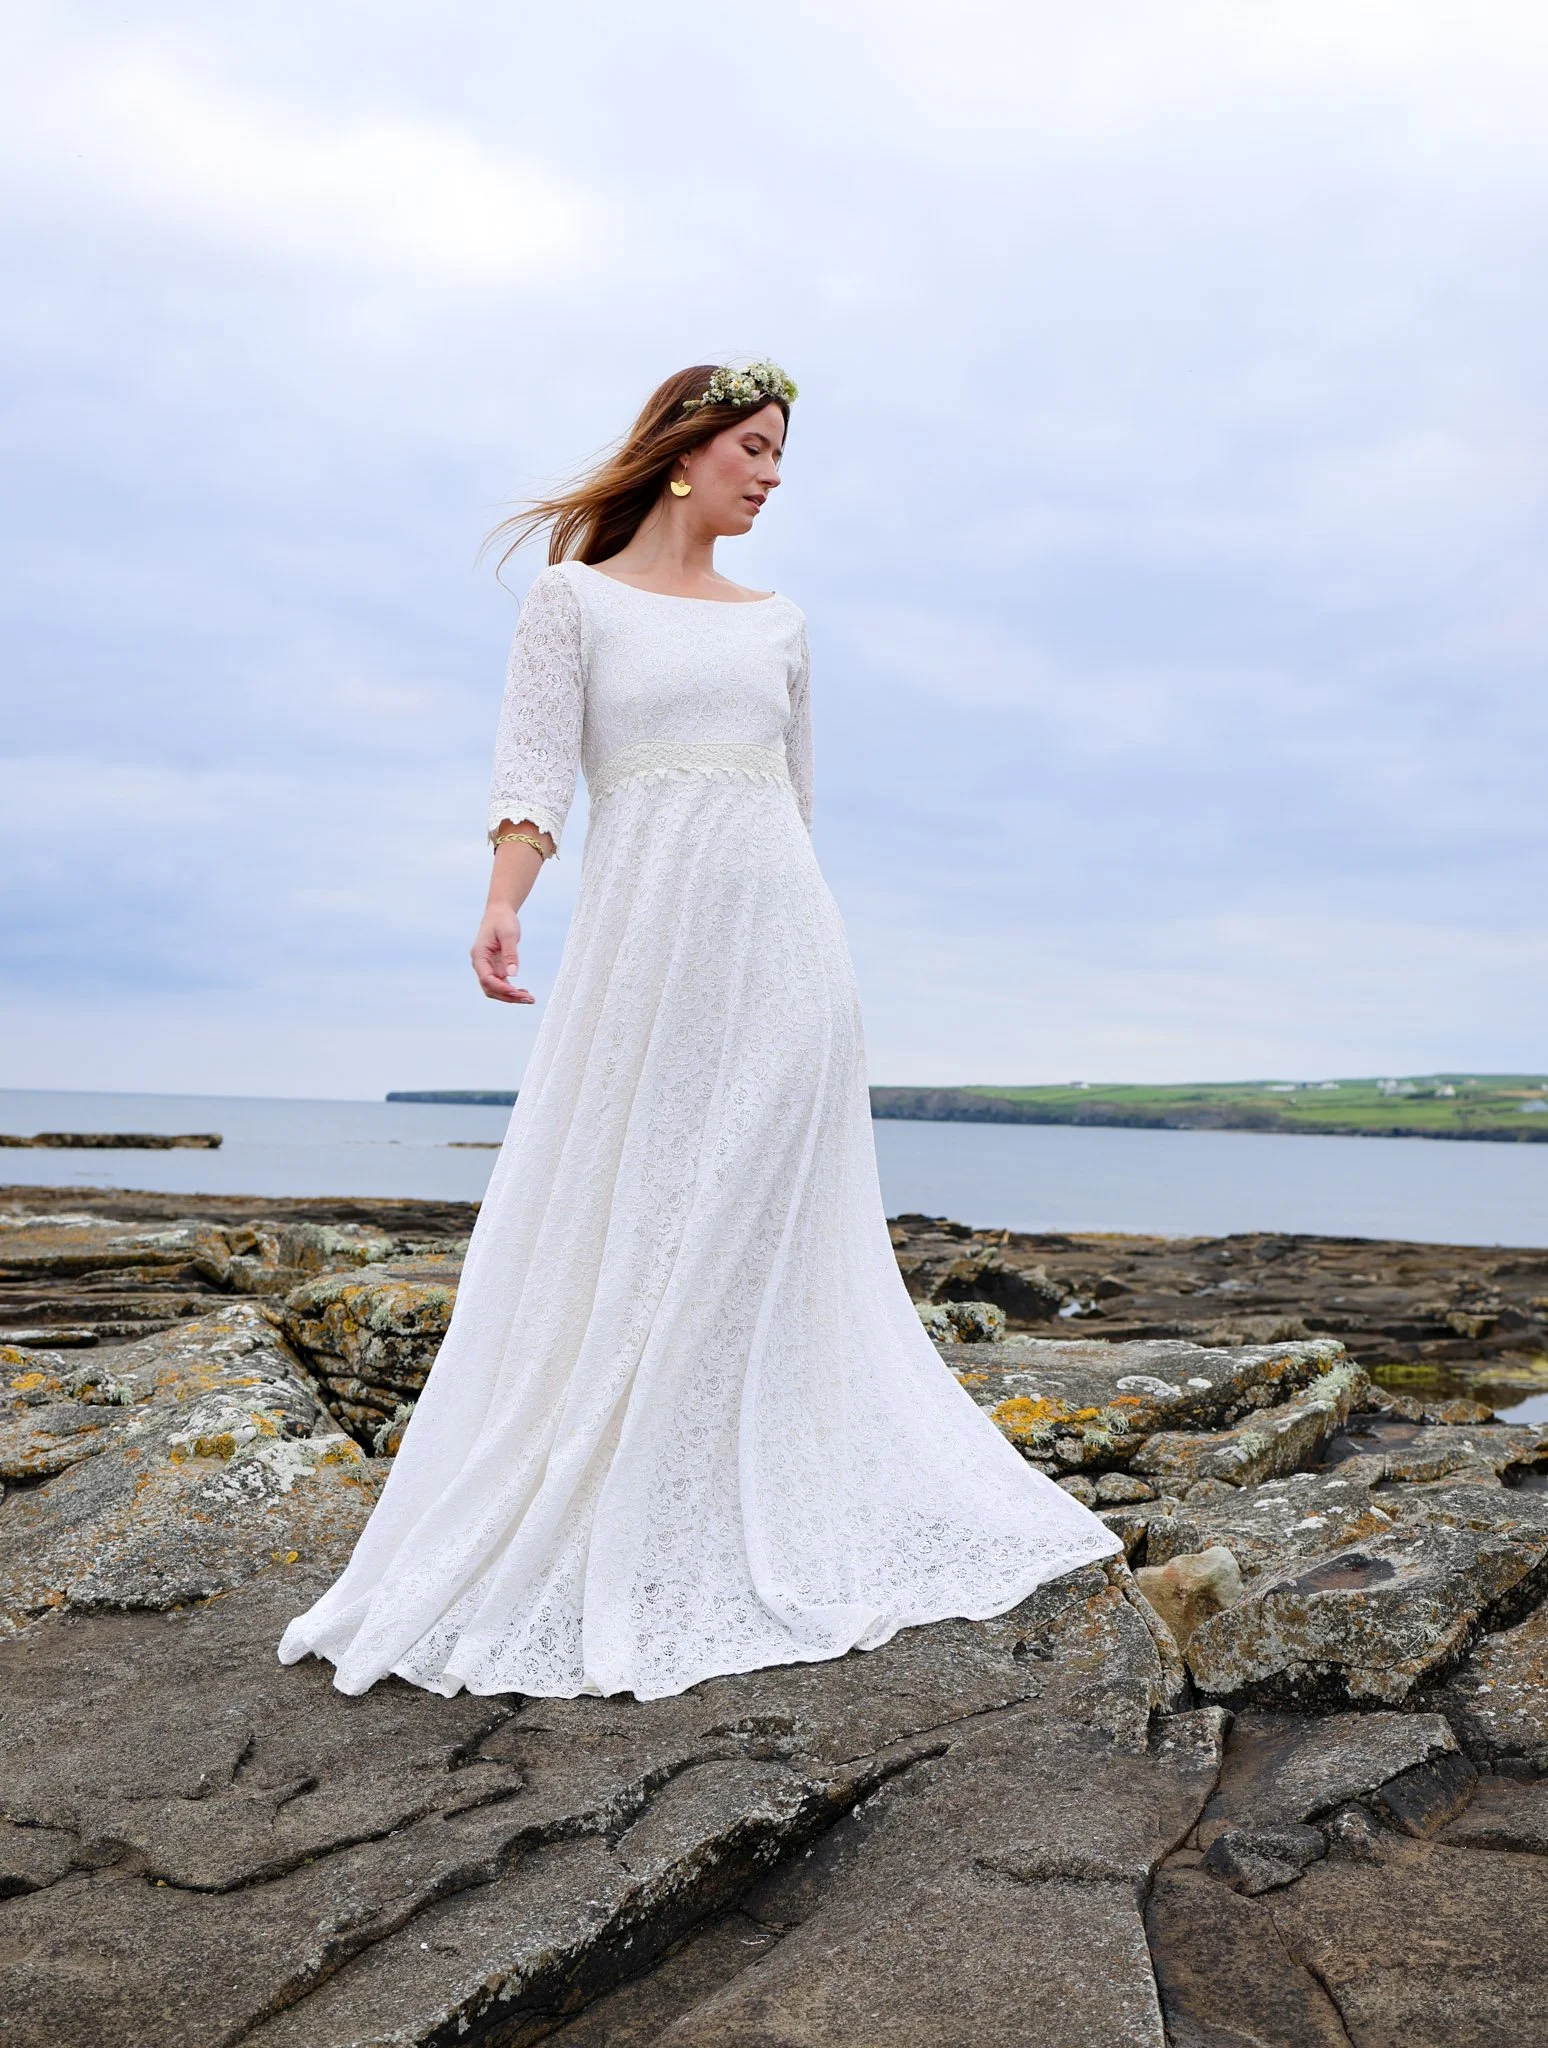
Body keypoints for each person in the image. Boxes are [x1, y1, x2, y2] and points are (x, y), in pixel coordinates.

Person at [278, 360, 1121, 1701]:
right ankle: (638, 1495)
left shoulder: (781, 623)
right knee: (651, 1201)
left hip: (785, 951)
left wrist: (792, 938)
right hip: (644, 959)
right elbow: (532, 775)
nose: (773, 476)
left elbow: (794, 803)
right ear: (684, 453)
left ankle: (748, 1487)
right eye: (755, 449)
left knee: (752, 1209)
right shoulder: (575, 602)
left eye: (782, 454)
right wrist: (502, 904)